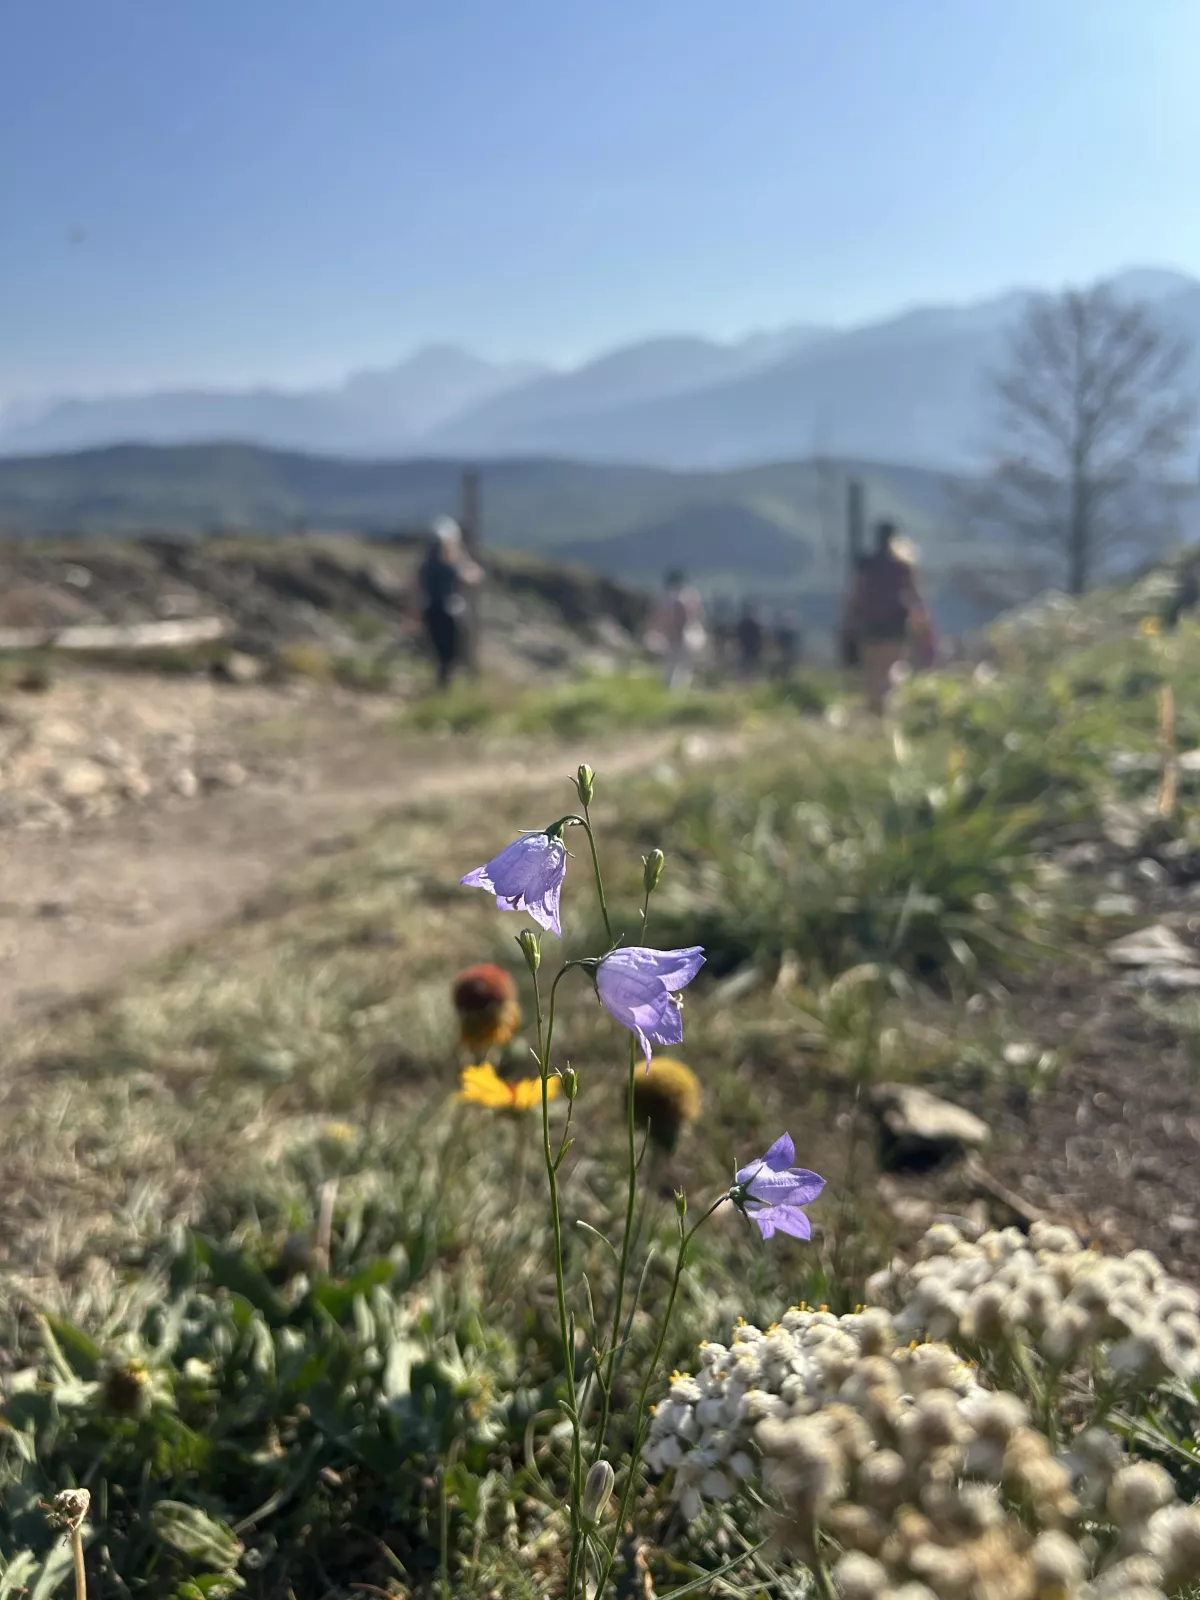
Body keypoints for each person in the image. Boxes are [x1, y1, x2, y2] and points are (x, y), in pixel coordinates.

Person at [844, 521, 927, 713]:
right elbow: (915, 595)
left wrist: (849, 619)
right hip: (895, 622)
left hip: (869, 621)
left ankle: (875, 705)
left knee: (872, 667)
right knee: (891, 665)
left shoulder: (865, 564)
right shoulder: (903, 566)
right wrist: (922, 620)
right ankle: (886, 703)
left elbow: (856, 593)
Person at [415, 516, 483, 690]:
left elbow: (416, 591)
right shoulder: (448, 566)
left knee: (443, 657)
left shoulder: (426, 566)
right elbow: (473, 576)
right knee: (452, 656)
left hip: (431, 613)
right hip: (449, 615)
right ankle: (448, 690)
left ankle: (443, 688)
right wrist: (462, 557)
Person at [644, 569, 707, 690]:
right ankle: (679, 690)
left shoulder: (666, 597)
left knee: (672, 665)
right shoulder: (691, 595)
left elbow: (658, 618)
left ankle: (671, 690)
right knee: (682, 665)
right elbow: (698, 616)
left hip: (673, 635)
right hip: (688, 634)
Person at [736, 601, 764, 679]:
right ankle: (746, 677)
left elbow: (759, 637)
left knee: (752, 665)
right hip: (746, 647)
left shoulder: (754, 624)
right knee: (747, 664)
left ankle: (750, 677)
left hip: (753, 647)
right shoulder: (744, 624)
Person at [772, 609, 802, 679]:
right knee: (784, 665)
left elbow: (796, 643)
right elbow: (779, 642)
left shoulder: (793, 632)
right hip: (784, 651)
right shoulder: (783, 631)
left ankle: (786, 678)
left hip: (790, 651)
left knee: (789, 666)